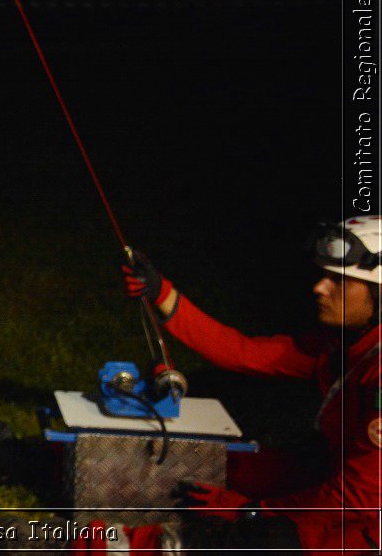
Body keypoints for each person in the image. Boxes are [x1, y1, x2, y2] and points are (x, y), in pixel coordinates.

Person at [121, 216, 382, 553]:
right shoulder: (348, 344)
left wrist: (251, 511)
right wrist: (161, 293)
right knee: (229, 467)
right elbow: (246, 353)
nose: (320, 287)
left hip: (367, 521)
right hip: (336, 479)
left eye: (339, 280)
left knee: (262, 540)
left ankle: (101, 545)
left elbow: (359, 499)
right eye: (323, 276)